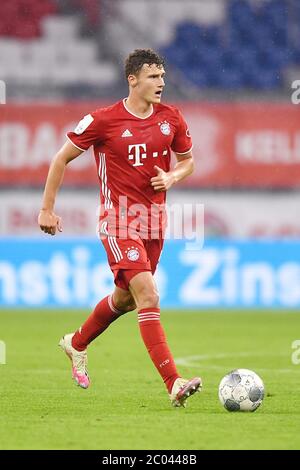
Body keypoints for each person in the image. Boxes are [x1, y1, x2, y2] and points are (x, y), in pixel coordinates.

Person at [38, 48, 202, 407]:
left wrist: (172, 176)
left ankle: (76, 342)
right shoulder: (103, 120)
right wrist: (47, 209)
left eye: (162, 76)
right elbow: (60, 158)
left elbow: (188, 162)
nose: (161, 83)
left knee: (127, 299)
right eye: (153, 77)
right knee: (149, 295)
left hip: (154, 223)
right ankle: (173, 382)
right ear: (133, 79)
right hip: (118, 221)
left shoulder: (171, 118)